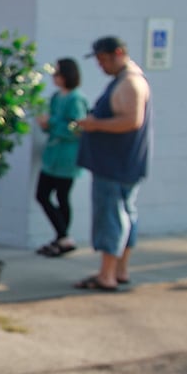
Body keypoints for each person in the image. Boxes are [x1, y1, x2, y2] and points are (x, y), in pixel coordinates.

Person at [73, 36, 151, 291]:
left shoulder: (130, 83)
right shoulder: (126, 80)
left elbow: (131, 120)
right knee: (125, 214)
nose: (101, 66)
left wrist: (95, 124)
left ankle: (107, 275)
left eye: (104, 59)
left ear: (118, 53)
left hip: (116, 164)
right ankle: (119, 270)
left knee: (112, 216)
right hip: (120, 162)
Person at [34, 57, 89, 257]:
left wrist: (53, 123)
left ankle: (63, 237)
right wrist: (46, 125)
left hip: (67, 157)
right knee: (43, 195)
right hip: (52, 156)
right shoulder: (57, 97)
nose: (54, 77)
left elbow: (77, 128)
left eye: (57, 73)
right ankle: (62, 236)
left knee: (61, 196)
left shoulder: (76, 99)